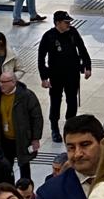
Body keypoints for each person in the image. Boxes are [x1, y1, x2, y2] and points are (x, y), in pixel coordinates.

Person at [38, 11, 92, 143]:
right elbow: (41, 58)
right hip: (56, 75)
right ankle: (55, 128)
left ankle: (70, 125)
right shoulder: (49, 36)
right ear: (57, 23)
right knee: (55, 101)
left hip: (72, 74)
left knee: (72, 101)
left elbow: (82, 48)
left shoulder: (72, 32)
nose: (69, 24)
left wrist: (87, 66)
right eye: (66, 22)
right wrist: (44, 77)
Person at [0, 71, 43, 181]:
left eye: (4, 82)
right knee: (6, 168)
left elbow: (37, 118)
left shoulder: (27, 96)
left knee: (24, 166)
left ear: (13, 82)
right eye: (0, 81)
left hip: (22, 138)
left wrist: (35, 138)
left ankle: (26, 189)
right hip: (4, 139)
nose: (1, 84)